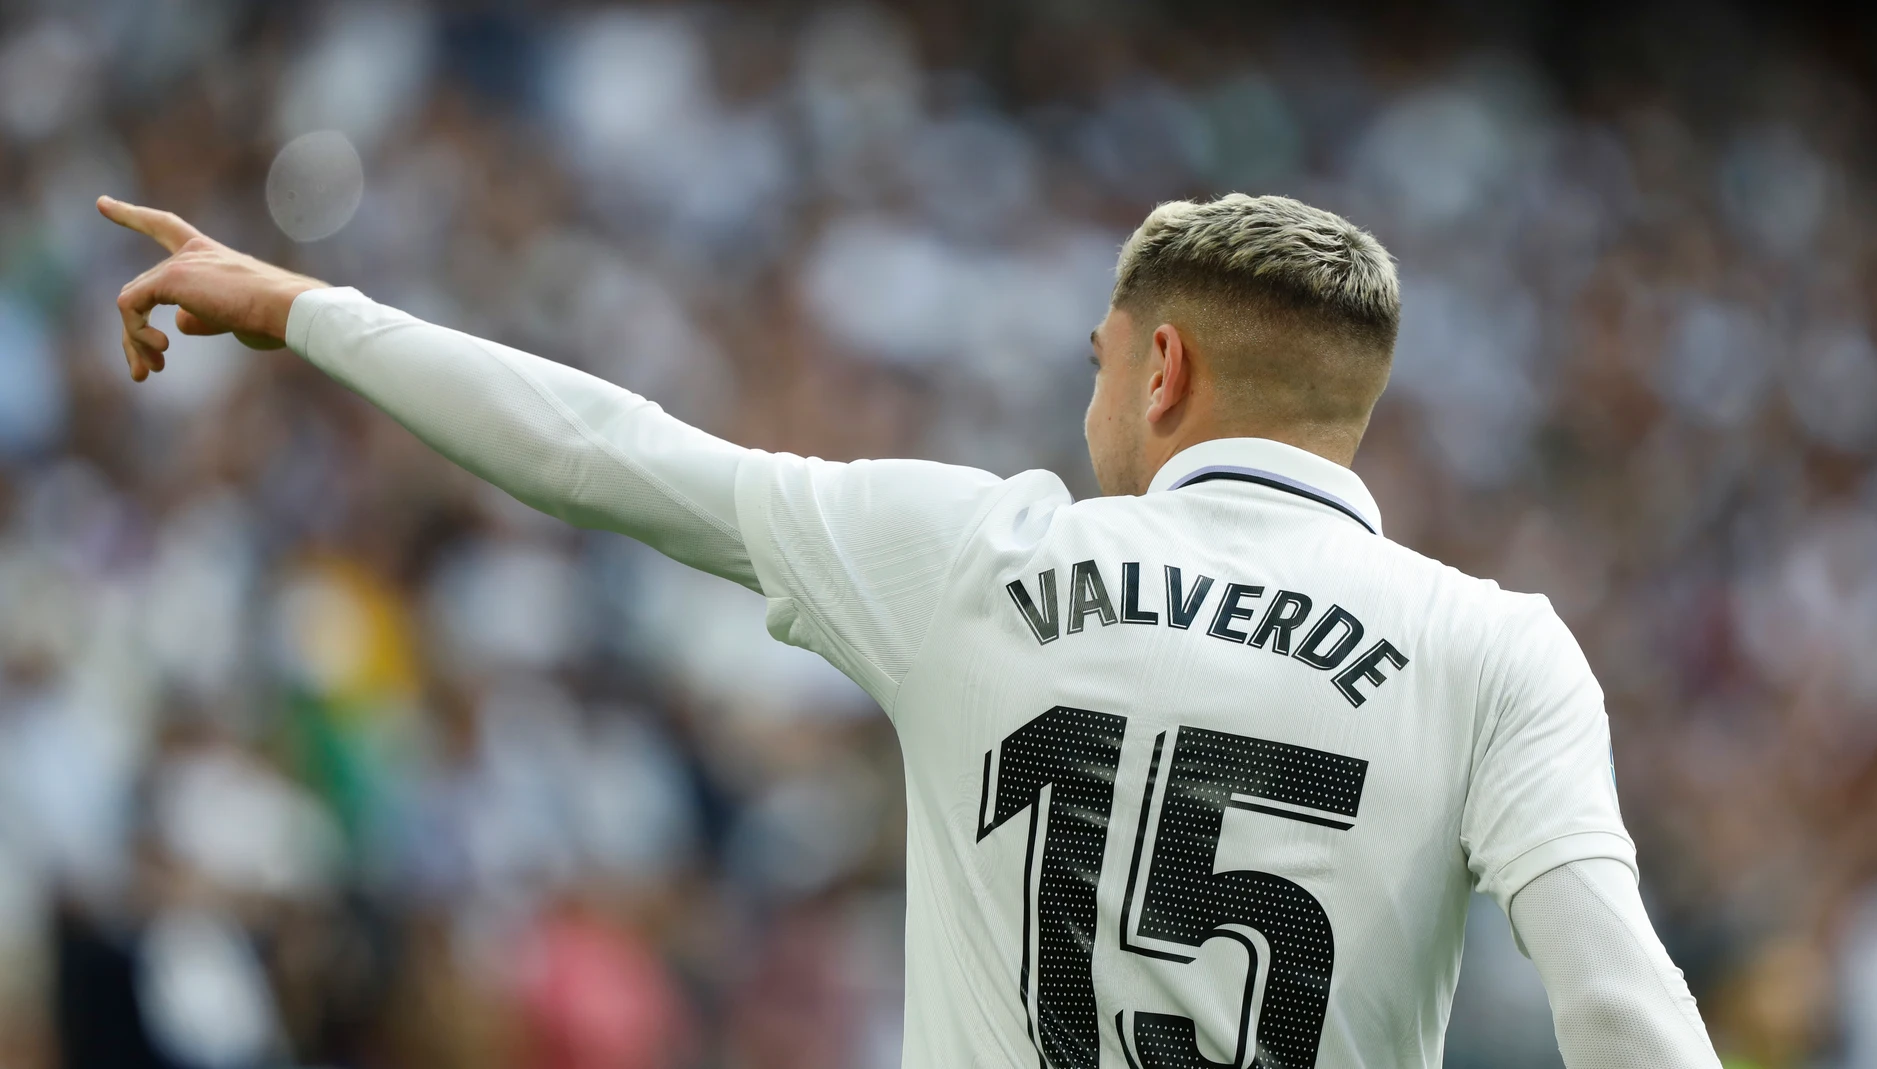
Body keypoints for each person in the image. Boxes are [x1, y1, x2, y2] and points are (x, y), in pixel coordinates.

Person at [99, 191, 1722, 1068]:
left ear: (1161, 372)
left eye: (1099, 359)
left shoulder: (974, 557)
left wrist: (305, 308)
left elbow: (603, 452)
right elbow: (1623, 1009)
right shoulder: (1499, 649)